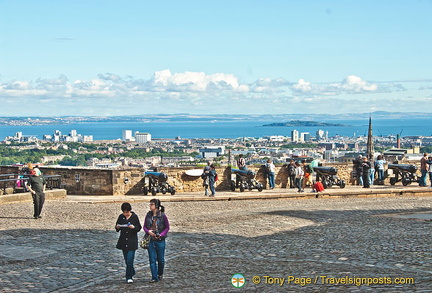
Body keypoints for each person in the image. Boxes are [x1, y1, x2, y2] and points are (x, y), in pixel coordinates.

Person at [143, 199, 170, 283]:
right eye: (150, 204)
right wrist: (148, 231)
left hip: (160, 240)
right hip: (151, 240)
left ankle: (160, 273)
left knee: (161, 259)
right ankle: (154, 277)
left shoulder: (162, 215)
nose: (150, 205)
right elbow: (144, 226)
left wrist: (161, 235)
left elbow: (167, 227)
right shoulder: (148, 215)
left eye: (152, 204)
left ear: (156, 206)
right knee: (152, 259)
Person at [115, 202, 142, 284]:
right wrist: (117, 227)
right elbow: (117, 227)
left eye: (127, 212)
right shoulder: (121, 217)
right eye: (124, 212)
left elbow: (138, 227)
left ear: (130, 211)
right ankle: (132, 271)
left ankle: (128, 277)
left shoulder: (134, 217)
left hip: (131, 242)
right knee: (127, 260)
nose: (126, 214)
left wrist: (133, 227)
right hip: (123, 241)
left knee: (130, 260)